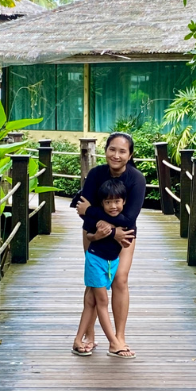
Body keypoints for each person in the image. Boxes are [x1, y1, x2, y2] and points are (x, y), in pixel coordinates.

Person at [73, 133, 144, 357]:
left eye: (122, 151)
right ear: (105, 151)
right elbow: (82, 213)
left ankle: (119, 337)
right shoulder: (95, 174)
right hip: (94, 234)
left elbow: (128, 219)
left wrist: (103, 221)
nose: (116, 155)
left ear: (130, 154)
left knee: (120, 279)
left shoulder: (136, 179)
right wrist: (109, 229)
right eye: (112, 149)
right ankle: (89, 335)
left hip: (125, 235)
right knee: (96, 284)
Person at [72, 179, 129, 357]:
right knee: (102, 301)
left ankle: (77, 341)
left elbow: (128, 230)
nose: (113, 206)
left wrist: (112, 230)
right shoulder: (95, 217)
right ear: (102, 203)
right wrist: (97, 235)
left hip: (112, 262)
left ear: (124, 202)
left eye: (117, 201)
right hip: (95, 260)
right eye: (108, 202)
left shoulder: (125, 217)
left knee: (91, 302)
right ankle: (114, 342)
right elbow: (89, 235)